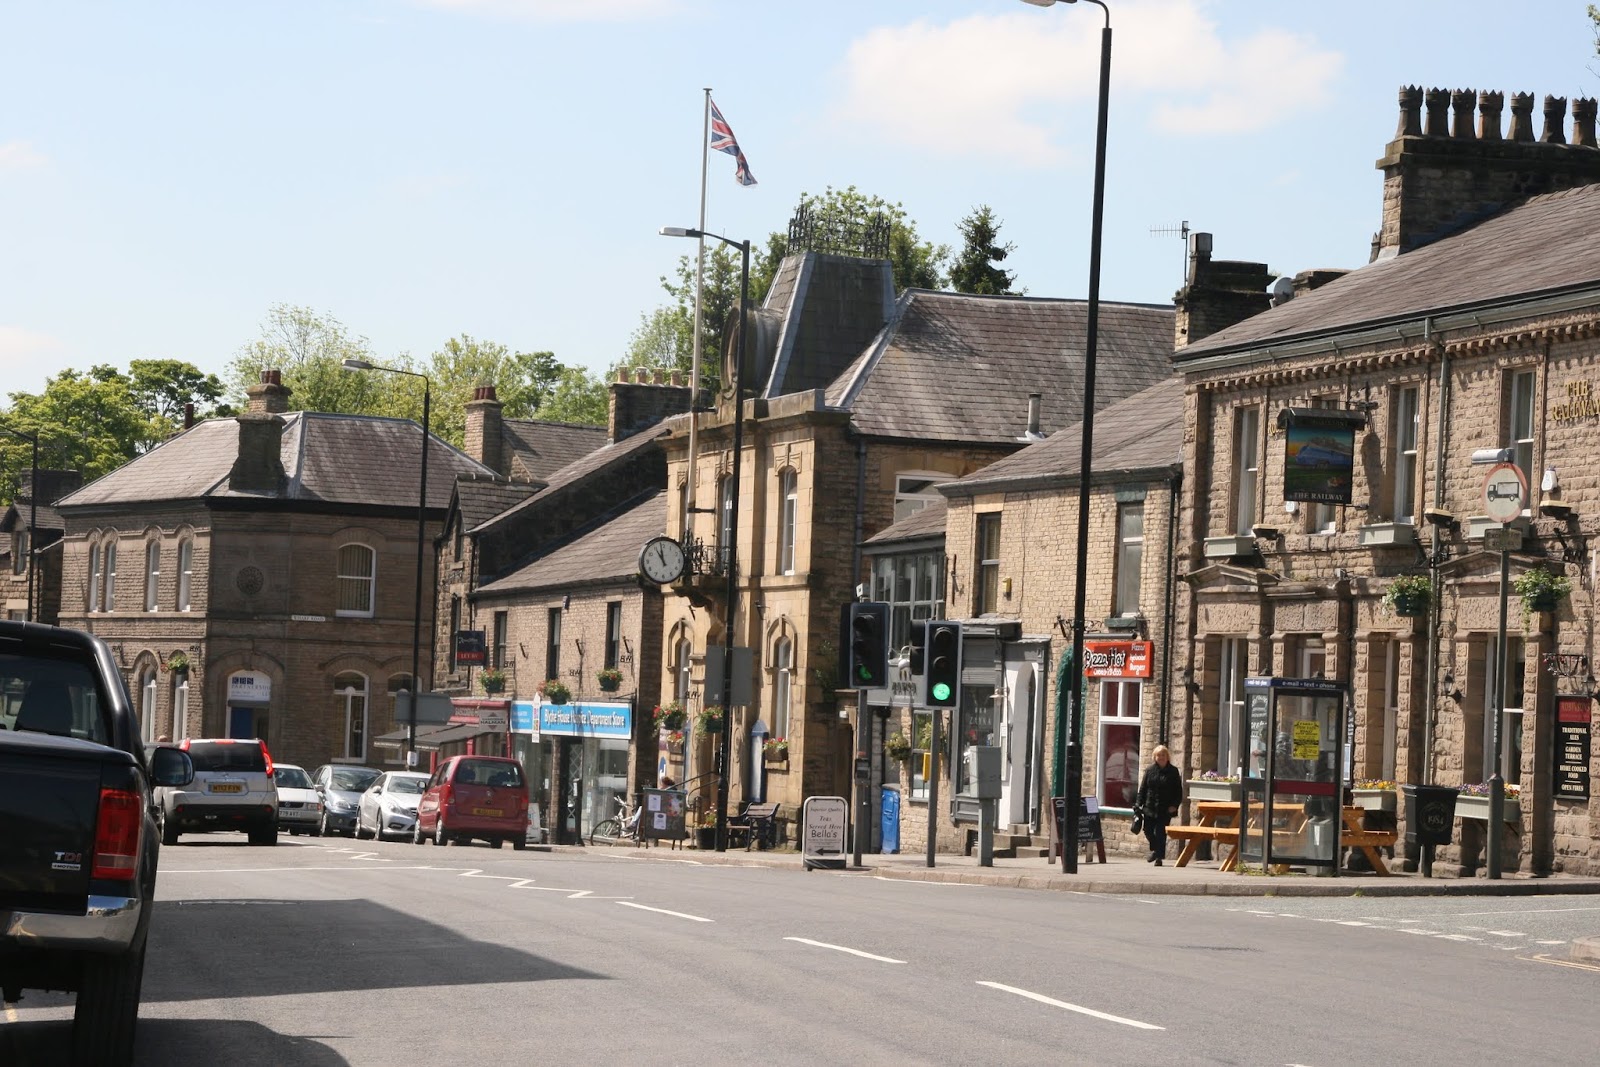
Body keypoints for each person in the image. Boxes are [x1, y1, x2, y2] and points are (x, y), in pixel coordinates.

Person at [1136, 744, 1184, 866]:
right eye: (1158, 755)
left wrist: (1175, 805)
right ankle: (1155, 849)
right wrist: (1138, 804)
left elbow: (1178, 791)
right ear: (1155, 757)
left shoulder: (1173, 771)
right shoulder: (1149, 770)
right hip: (1150, 806)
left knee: (1160, 832)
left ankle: (1159, 857)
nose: (1161, 757)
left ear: (1167, 757)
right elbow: (1143, 789)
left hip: (1165, 808)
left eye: (1163, 755)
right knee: (1147, 830)